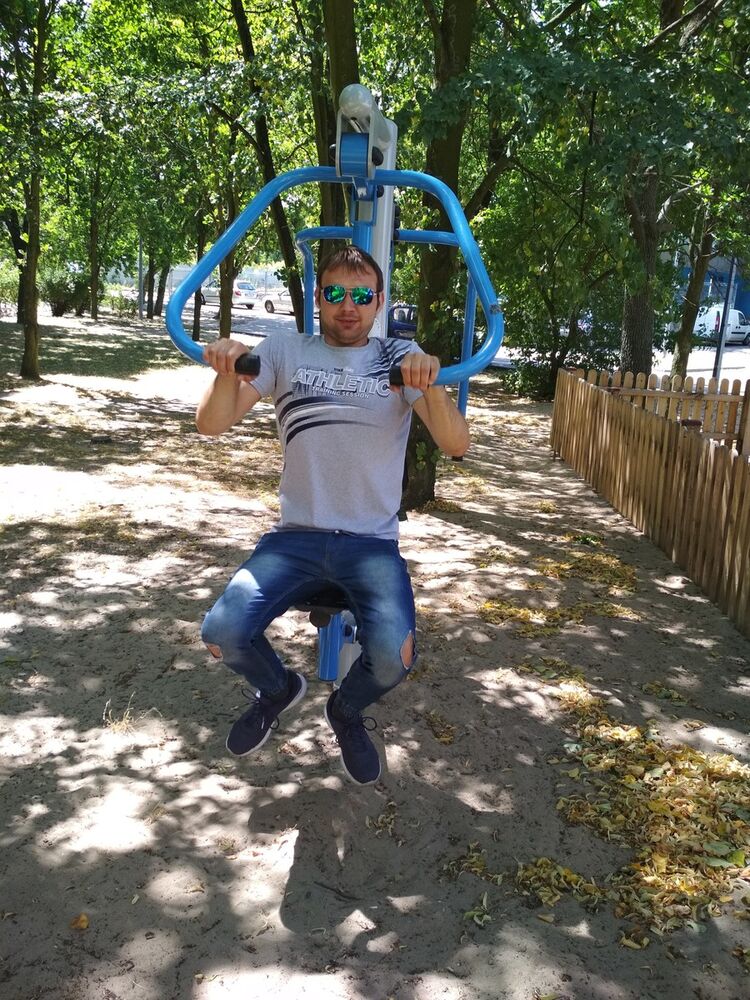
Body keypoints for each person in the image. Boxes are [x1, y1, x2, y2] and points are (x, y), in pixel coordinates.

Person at [196, 246, 470, 785]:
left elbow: (456, 444)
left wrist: (431, 384)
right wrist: (227, 369)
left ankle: (345, 711)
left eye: (363, 295)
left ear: (380, 302)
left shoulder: (399, 357)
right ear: (318, 298)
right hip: (296, 537)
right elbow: (211, 424)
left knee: (393, 657)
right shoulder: (286, 349)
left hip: (370, 543)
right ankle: (278, 689)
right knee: (222, 631)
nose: (349, 306)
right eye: (337, 293)